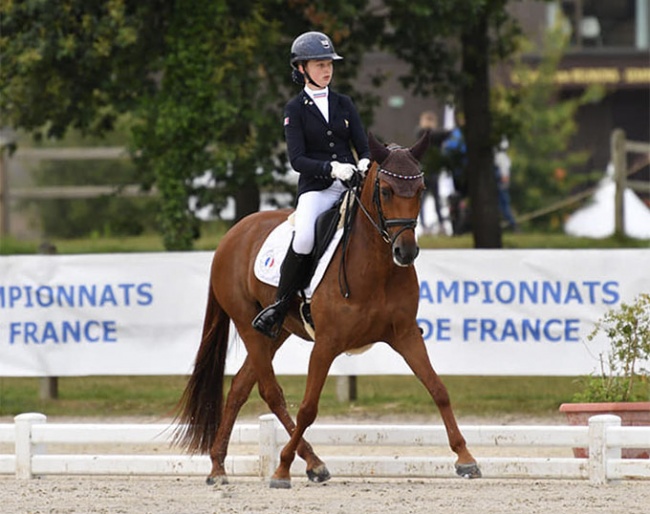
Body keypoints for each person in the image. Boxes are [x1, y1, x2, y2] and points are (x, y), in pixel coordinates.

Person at [252, 31, 370, 339]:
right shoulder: (295, 109)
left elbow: (364, 145)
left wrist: (364, 163)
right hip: (317, 189)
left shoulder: (344, 103)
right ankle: (280, 306)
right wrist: (332, 168)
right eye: (319, 65)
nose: (327, 70)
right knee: (304, 238)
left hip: (350, 187)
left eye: (329, 63)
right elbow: (297, 160)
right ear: (302, 68)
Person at [415, 111, 451, 235]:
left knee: (431, 198)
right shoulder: (425, 134)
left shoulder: (424, 134)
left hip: (429, 169)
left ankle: (435, 224)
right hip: (427, 169)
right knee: (426, 199)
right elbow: (443, 134)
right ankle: (428, 224)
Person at [494, 138, 519, 232]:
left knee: (503, 206)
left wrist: (502, 185)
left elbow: (504, 176)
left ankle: (513, 225)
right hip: (501, 183)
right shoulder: (503, 157)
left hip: (501, 184)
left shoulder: (501, 157)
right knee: (502, 206)